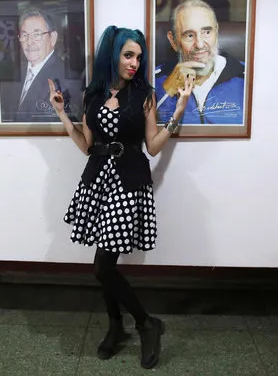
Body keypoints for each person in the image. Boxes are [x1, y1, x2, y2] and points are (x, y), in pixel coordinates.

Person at [48, 25, 194, 369]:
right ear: (113, 55)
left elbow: (153, 146)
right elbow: (87, 146)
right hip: (98, 180)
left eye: (139, 57)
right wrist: (61, 115)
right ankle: (118, 327)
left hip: (128, 181)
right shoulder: (93, 94)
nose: (134, 62)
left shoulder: (144, 94)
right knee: (104, 266)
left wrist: (178, 112)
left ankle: (144, 324)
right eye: (129, 54)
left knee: (102, 266)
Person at [154, 0, 245, 125]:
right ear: (173, 41)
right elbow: (149, 130)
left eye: (207, 32)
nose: (200, 44)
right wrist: (168, 89)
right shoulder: (153, 79)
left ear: (216, 33)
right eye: (189, 35)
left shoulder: (246, 77)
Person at [0, 8, 83, 123]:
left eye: (37, 34)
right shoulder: (17, 74)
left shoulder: (68, 79)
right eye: (24, 35)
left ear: (52, 38)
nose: (29, 42)